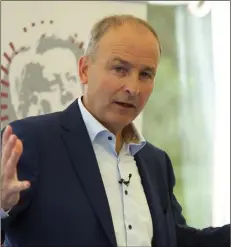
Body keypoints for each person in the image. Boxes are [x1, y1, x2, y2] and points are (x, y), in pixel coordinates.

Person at [1, 15, 230, 247]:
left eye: (146, 75)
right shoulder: (29, 141)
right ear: (84, 70)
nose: (132, 87)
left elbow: (176, 240)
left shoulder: (155, 162)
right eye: (120, 69)